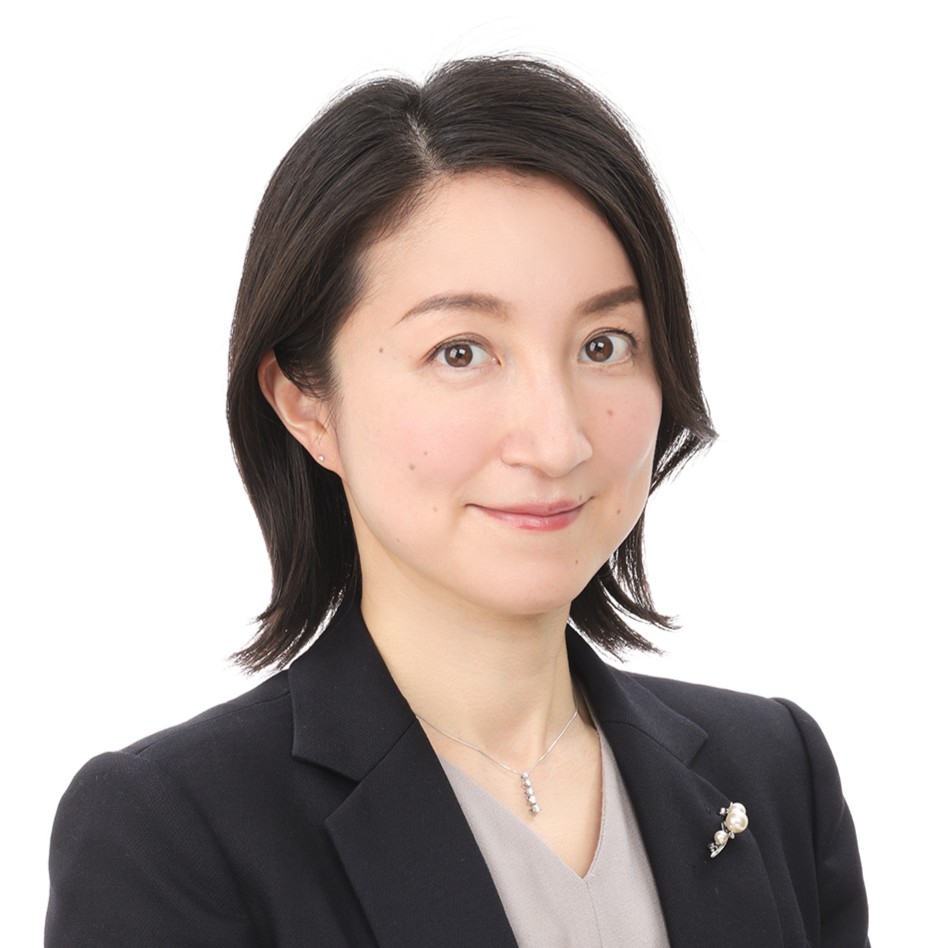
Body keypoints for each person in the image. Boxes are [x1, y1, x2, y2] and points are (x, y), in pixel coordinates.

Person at [46, 57, 870, 947]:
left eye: (604, 344)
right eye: (461, 352)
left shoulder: (775, 772)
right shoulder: (173, 831)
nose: (557, 441)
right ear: (307, 404)